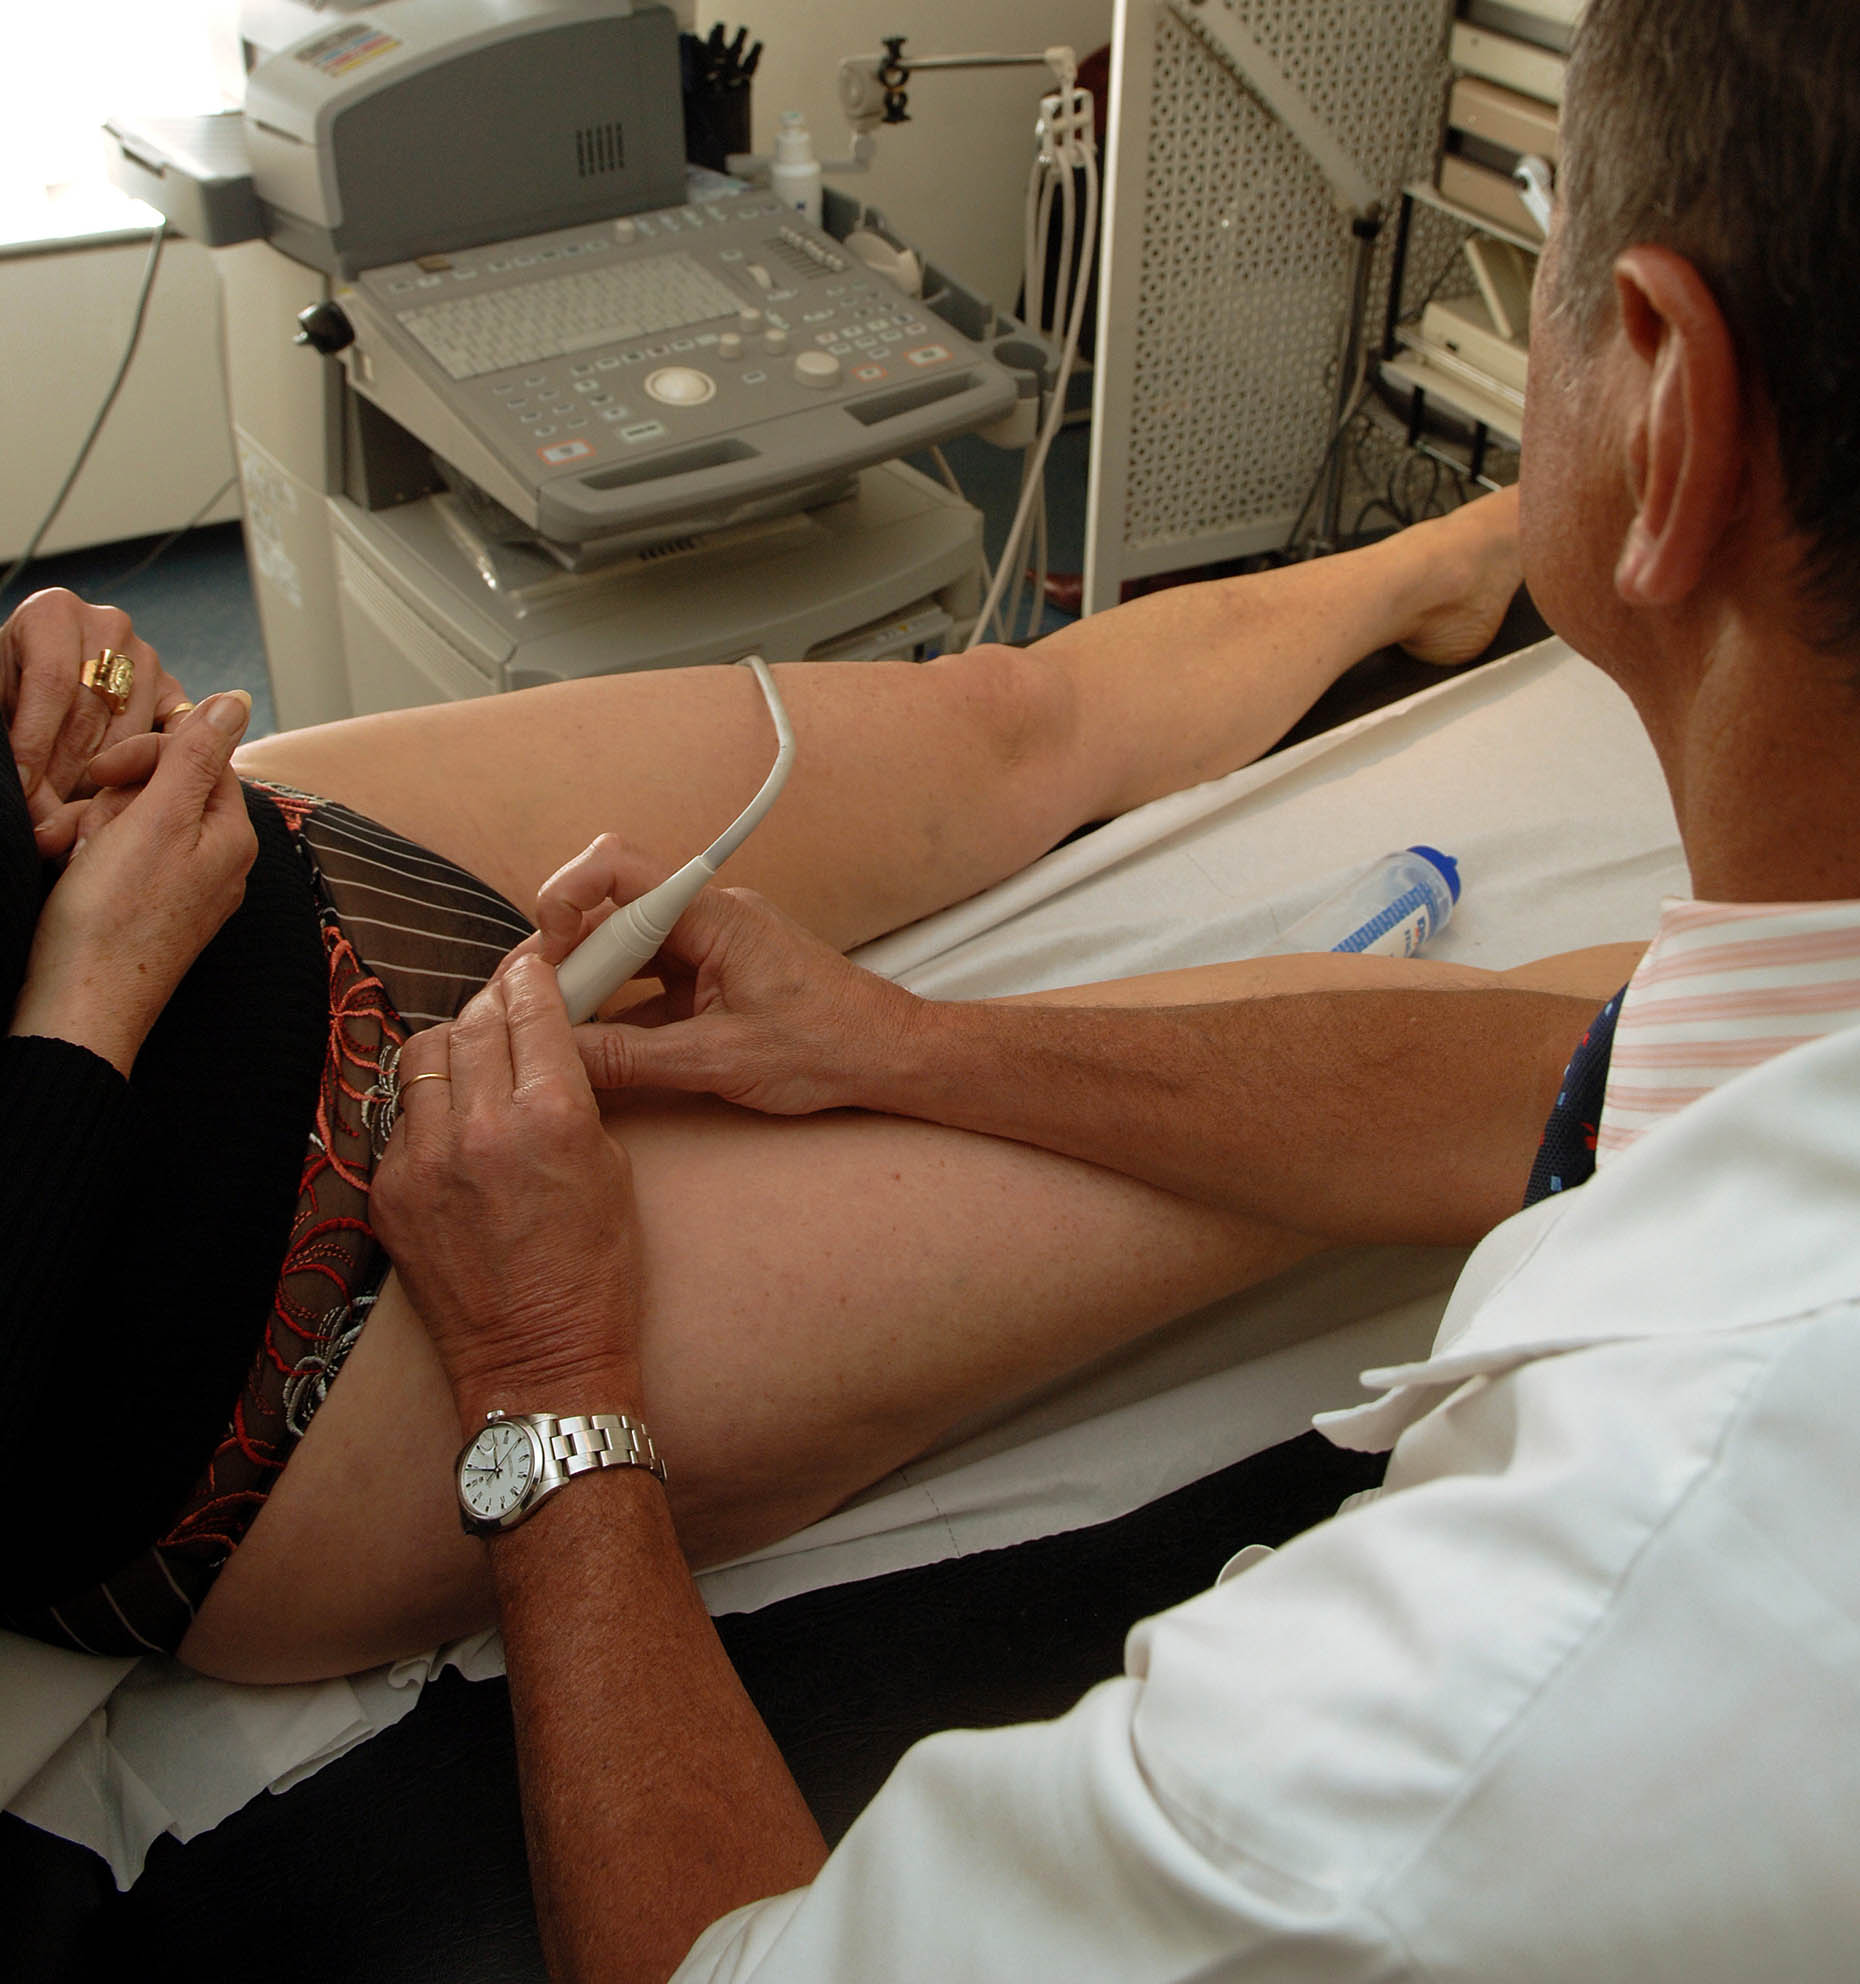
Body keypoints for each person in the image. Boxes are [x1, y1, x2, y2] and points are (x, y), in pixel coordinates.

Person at [371, 0, 1860, 1982]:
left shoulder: (1484, 1721)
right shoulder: (1778, 1052)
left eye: (1550, 221)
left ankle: (1416, 570)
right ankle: (1420, 567)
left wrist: (554, 1382)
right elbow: (1588, 1093)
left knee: (1013, 717)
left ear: (1665, 401)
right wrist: (905, 1042)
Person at [1, 479, 1614, 1679]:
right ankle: (1741, 1037)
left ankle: (1451, 560)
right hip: (235, 1358)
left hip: (232, 880)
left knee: (1005, 714)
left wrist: (46, 667)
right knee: (1251, 1086)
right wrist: (91, 998)